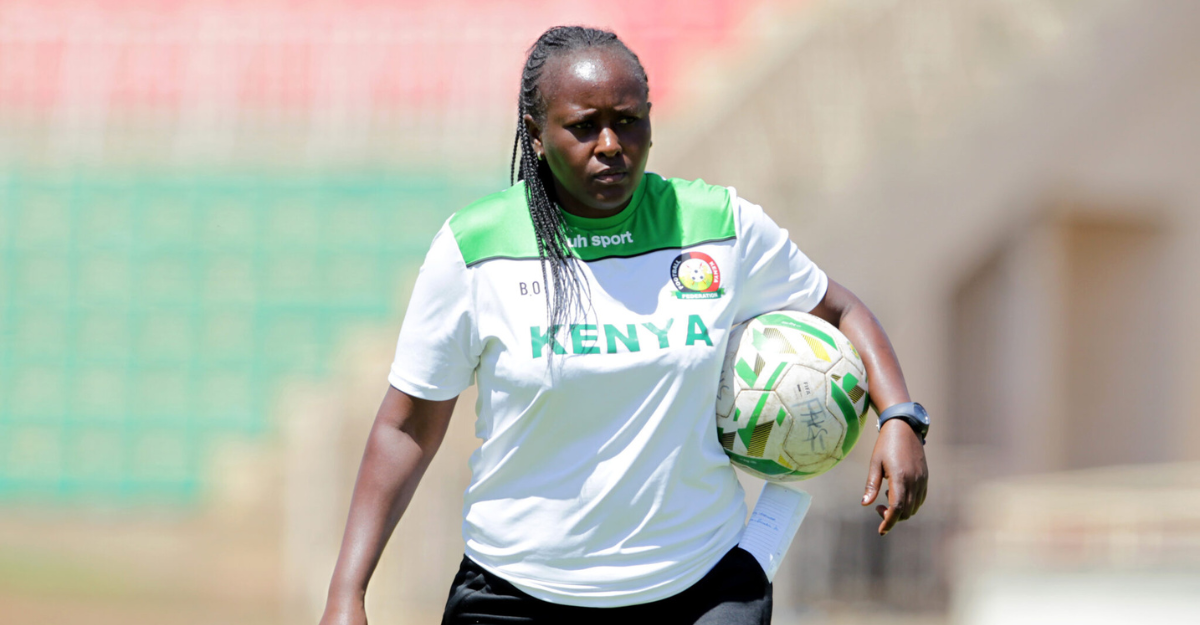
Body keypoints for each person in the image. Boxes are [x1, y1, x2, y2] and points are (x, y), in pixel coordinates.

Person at [319, 26, 928, 625]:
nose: (610, 143)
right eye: (584, 126)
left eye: (628, 121)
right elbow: (407, 427)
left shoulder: (718, 225)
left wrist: (900, 416)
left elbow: (842, 310)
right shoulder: (474, 249)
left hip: (701, 589)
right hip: (517, 593)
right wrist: (348, 592)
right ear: (536, 135)